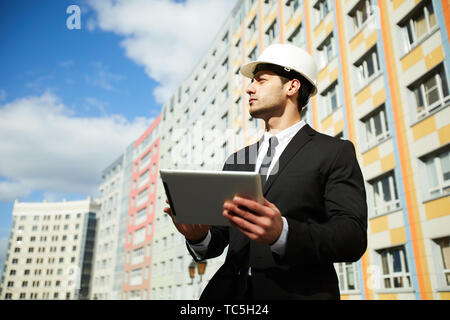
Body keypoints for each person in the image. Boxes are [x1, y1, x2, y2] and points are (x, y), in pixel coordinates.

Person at [164, 43, 367, 300]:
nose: (249, 88)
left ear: (292, 87)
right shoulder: (238, 160)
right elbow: (220, 239)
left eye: (261, 81)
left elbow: (351, 237)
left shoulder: (334, 152)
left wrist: (282, 232)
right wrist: (198, 236)